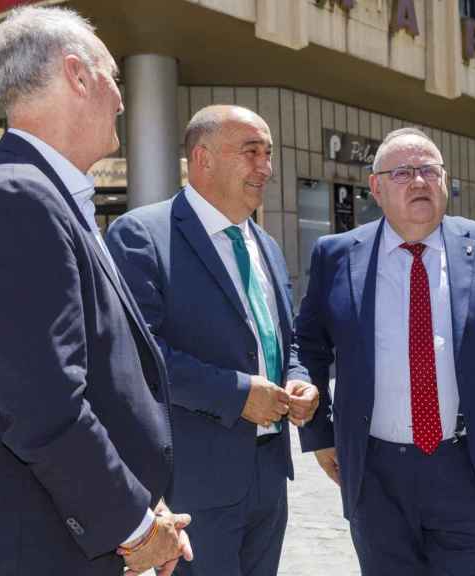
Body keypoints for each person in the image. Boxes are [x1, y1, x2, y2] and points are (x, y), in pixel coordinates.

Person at [0, 7, 191, 575]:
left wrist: (139, 499)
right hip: (32, 548)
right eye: (113, 77)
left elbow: (92, 380)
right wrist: (136, 526)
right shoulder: (15, 199)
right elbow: (44, 405)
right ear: (77, 75)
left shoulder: (36, 196)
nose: (121, 99)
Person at [294, 127, 475, 575]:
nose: (418, 181)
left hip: (469, 466)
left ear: (445, 182)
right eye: (402, 173)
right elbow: (309, 343)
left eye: (428, 171)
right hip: (375, 473)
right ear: (375, 187)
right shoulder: (335, 254)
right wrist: (319, 433)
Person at [106, 105, 319, 576]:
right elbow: (138, 356)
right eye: (251, 152)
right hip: (195, 483)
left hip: (269, 478)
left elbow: (287, 340)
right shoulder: (142, 236)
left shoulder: (266, 244)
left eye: (268, 154)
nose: (266, 167)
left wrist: (299, 380)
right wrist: (238, 394)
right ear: (202, 158)